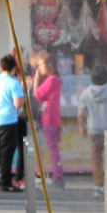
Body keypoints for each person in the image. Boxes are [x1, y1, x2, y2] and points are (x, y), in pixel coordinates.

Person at [76, 66, 107, 196]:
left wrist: (82, 127)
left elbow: (81, 113)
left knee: (96, 158)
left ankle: (98, 185)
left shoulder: (86, 93)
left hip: (94, 129)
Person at [0, 55, 27, 192]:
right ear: (14, 68)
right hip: (9, 120)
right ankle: (5, 182)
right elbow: (18, 103)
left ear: (0, 67)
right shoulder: (14, 83)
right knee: (6, 153)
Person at [31, 52, 64, 187]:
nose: (39, 69)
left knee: (52, 148)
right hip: (51, 117)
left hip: (48, 118)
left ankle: (58, 176)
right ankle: (57, 174)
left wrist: (36, 80)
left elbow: (37, 95)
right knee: (52, 147)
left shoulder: (52, 80)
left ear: (49, 65)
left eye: (41, 65)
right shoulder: (54, 80)